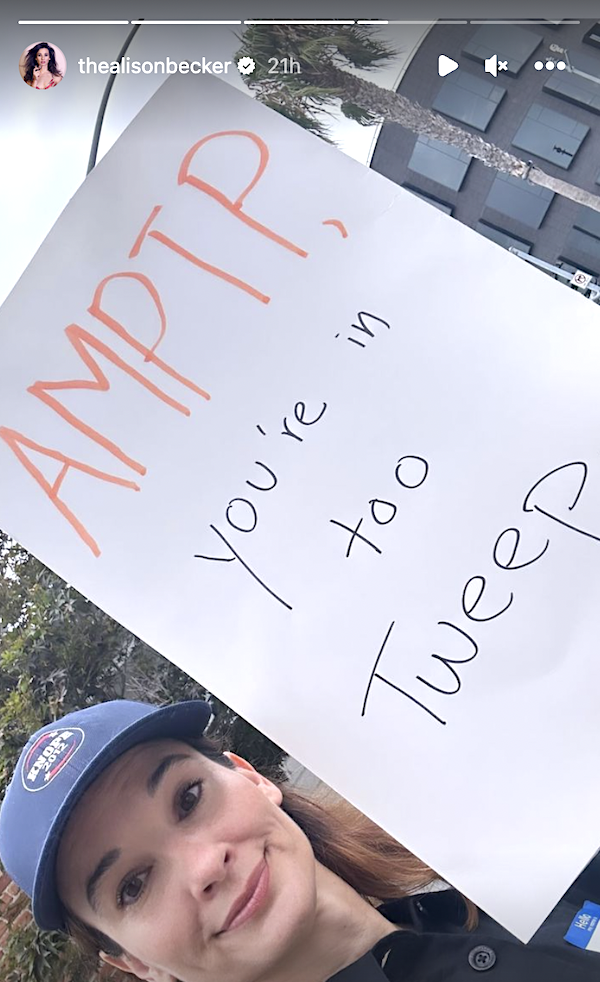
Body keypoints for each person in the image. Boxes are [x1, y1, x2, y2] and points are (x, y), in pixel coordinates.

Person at [0, 698, 598, 982]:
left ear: (253, 778)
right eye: (133, 885)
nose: (206, 863)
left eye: (188, 798)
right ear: (133, 963)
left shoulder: (494, 862)